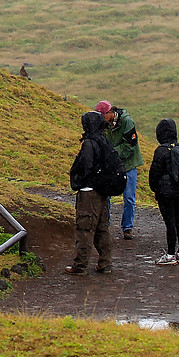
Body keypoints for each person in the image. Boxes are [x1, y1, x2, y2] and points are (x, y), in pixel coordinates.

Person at [66, 110, 114, 275]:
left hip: (88, 192)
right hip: (102, 191)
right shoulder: (104, 141)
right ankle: (105, 263)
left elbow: (86, 167)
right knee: (102, 227)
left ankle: (80, 266)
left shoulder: (89, 143)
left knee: (85, 228)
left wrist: (78, 180)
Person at [96, 100, 143, 239]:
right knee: (106, 196)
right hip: (110, 165)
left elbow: (130, 145)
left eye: (103, 115)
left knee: (129, 198)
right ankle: (105, 224)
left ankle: (127, 228)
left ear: (110, 113)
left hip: (127, 165)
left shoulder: (127, 122)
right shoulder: (103, 123)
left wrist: (111, 153)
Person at [148, 118, 179, 265]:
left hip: (165, 193)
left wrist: (155, 188)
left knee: (170, 222)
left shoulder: (161, 151)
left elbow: (154, 173)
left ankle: (170, 254)